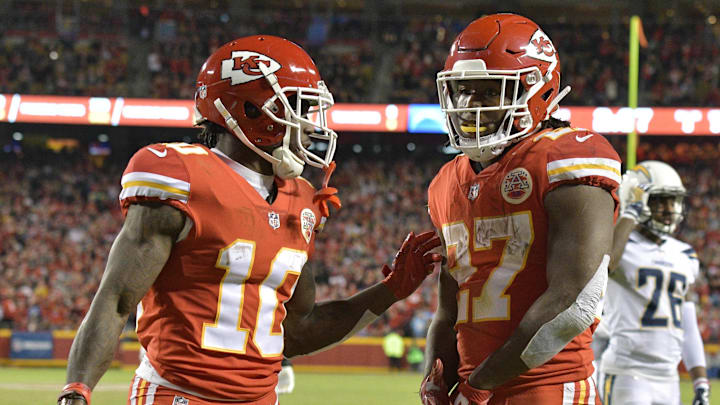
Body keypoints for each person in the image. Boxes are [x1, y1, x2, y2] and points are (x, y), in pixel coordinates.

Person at [57, 35, 441, 405]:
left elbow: (299, 331)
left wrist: (390, 291)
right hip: (177, 395)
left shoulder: (301, 199)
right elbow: (117, 301)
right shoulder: (183, 177)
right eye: (296, 106)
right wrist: (78, 388)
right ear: (249, 108)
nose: (307, 123)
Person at [419, 13, 621, 405]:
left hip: (548, 389)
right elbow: (448, 312)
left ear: (538, 90)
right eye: (461, 90)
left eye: (488, 91)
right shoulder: (446, 181)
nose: (467, 105)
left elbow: (576, 302)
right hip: (477, 388)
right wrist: (435, 378)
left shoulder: (568, 155)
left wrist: (481, 383)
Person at [599, 160, 710, 405]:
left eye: (673, 200)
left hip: (669, 377)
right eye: (660, 200)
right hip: (627, 373)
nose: (670, 208)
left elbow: (687, 323)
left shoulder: (685, 254)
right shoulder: (620, 246)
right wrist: (630, 214)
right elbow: (604, 265)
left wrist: (700, 381)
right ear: (638, 200)